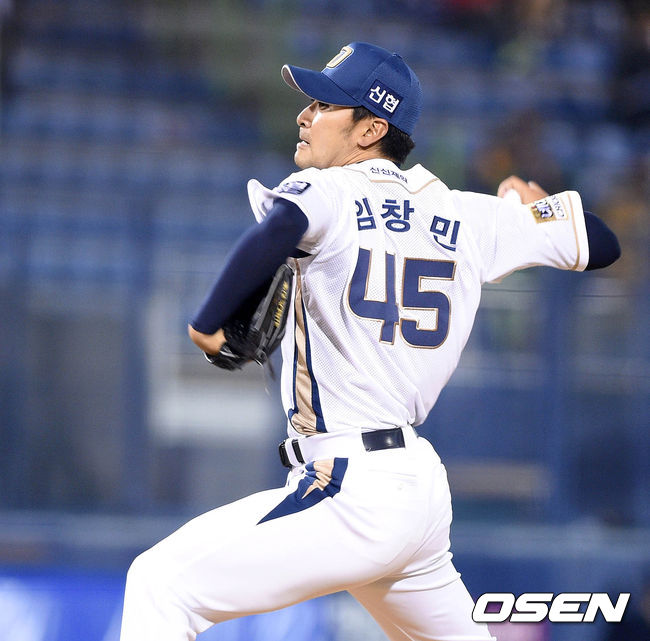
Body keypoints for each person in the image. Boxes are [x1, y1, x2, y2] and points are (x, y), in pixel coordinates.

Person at [119, 42, 620, 641]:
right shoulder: (467, 215)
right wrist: (530, 211)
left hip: (351, 485)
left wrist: (207, 322)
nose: (305, 115)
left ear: (371, 129)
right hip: (414, 488)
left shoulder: (330, 190)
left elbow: (281, 225)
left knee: (160, 583)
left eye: (325, 105)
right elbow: (602, 243)